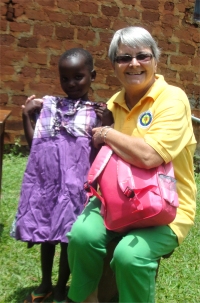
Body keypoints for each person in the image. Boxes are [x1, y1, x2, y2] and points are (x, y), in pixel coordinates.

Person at [67, 27, 197, 303]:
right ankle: (83, 299)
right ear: (114, 65)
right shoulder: (114, 103)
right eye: (124, 58)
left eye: (143, 56)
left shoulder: (172, 99)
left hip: (167, 205)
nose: (134, 63)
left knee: (130, 255)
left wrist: (105, 134)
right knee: (81, 236)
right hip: (118, 198)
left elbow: (150, 156)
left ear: (155, 61)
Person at [14, 48, 109, 303]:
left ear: (92, 76)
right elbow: (36, 143)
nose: (71, 84)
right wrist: (27, 116)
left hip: (77, 188)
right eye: (64, 78)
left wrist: (107, 124)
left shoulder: (97, 112)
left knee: (68, 238)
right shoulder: (50, 107)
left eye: (78, 77)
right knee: (47, 235)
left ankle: (60, 286)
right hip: (49, 185)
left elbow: (102, 152)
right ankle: (45, 282)